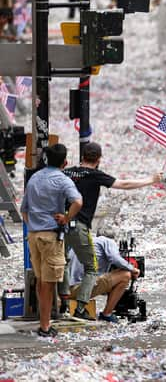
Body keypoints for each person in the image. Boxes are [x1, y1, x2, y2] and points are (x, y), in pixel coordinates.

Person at [58, 142, 161, 320]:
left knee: (63, 263)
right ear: (98, 159)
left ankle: (64, 304)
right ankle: (80, 308)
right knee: (91, 268)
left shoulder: (67, 172)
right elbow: (125, 184)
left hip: (61, 224)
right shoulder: (95, 175)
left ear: (82, 156)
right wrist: (151, 180)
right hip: (78, 226)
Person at [20, 144, 83, 337]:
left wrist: (34, 226)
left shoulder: (34, 178)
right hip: (50, 237)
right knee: (49, 284)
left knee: (41, 281)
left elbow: (24, 210)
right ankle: (45, 327)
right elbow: (78, 202)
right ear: (65, 162)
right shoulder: (62, 180)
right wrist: (66, 218)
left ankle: (44, 321)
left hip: (33, 236)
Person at [67, 235, 140, 323]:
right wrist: (132, 269)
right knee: (125, 275)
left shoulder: (85, 241)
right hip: (78, 289)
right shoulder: (106, 241)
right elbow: (115, 258)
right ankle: (107, 314)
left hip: (65, 290)